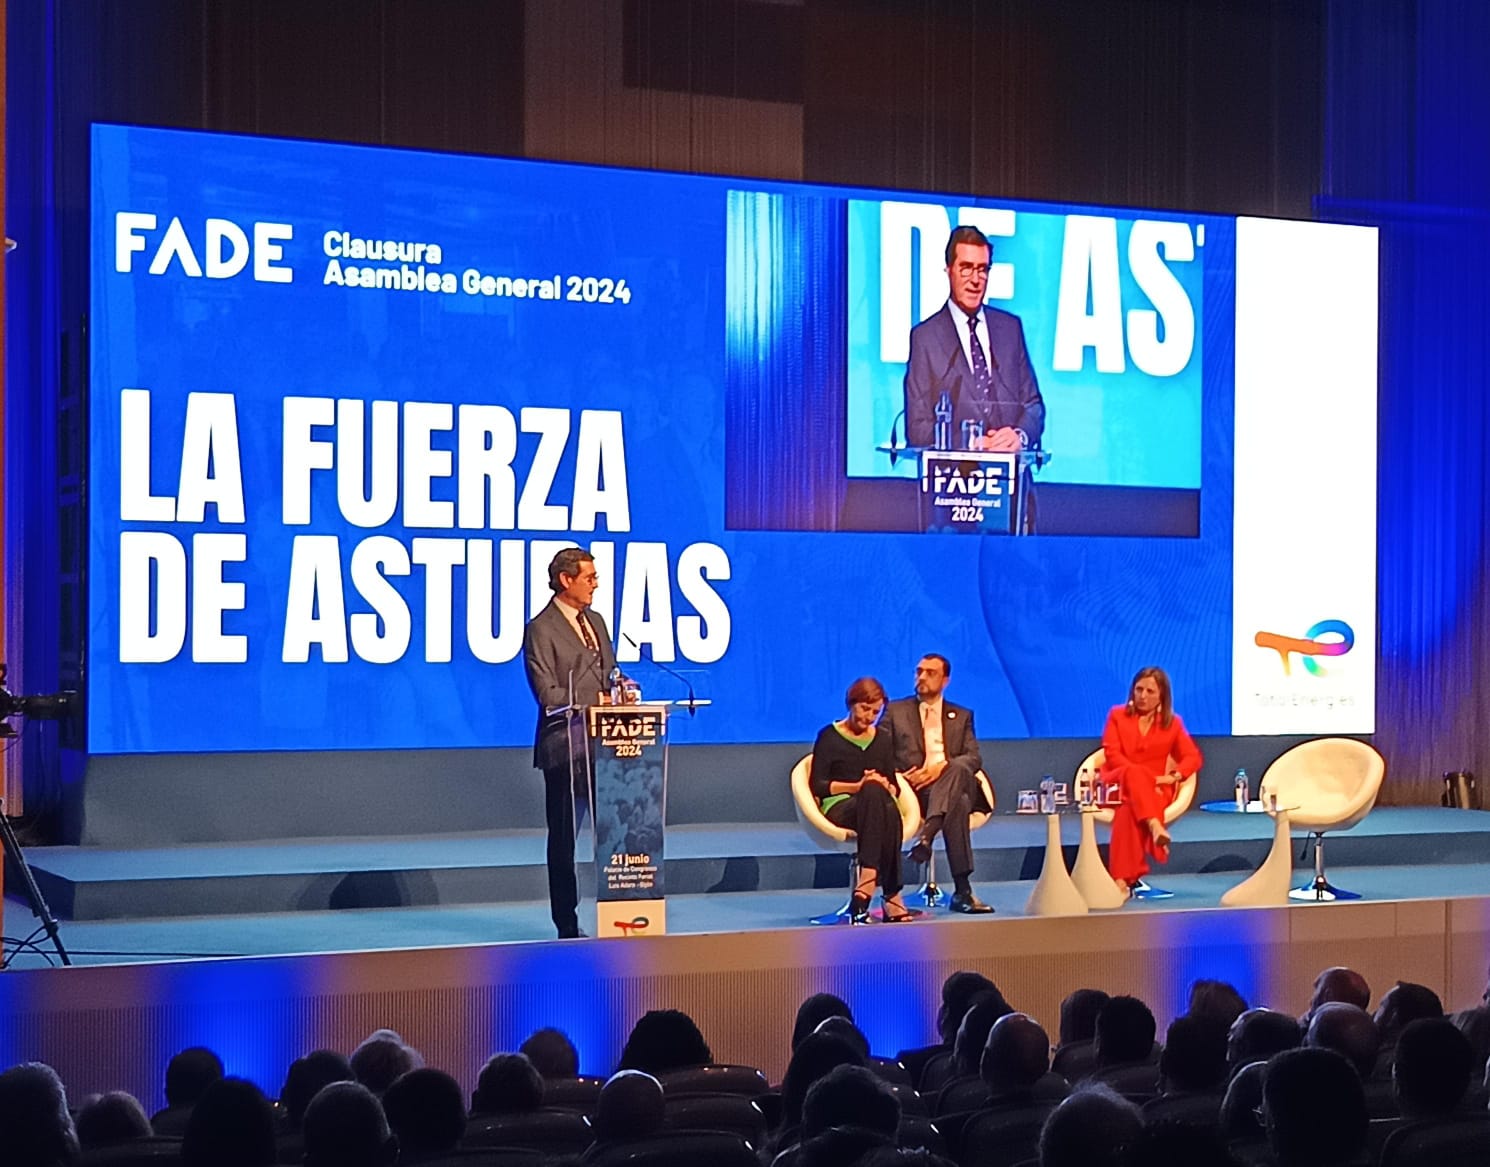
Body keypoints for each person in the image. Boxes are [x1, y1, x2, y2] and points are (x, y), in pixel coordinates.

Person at [523, 545, 617, 939]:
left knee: (618, 835)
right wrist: (595, 699)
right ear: (566, 580)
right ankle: (567, 924)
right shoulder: (541, 629)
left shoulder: (595, 621)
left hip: (607, 747)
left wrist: (622, 689)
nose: (596, 584)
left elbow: (610, 674)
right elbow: (548, 693)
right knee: (563, 843)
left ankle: (623, 916)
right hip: (565, 748)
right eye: (589, 578)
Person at [904, 226, 1045, 457]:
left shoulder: (1010, 329)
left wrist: (1019, 435)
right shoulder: (925, 338)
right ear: (949, 271)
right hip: (954, 485)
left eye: (982, 270)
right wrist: (972, 443)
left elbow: (1033, 407)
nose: (975, 280)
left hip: (1012, 485)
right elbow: (917, 429)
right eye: (966, 268)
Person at [886, 654, 993, 914]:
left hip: (952, 779)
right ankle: (963, 891)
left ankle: (927, 836)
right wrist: (900, 775)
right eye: (919, 671)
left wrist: (940, 769)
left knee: (956, 767)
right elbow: (880, 751)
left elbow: (973, 757)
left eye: (930, 673)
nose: (921, 677)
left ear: (945, 680)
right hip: (916, 791)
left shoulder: (962, 715)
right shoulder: (896, 711)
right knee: (960, 802)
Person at [809, 676, 915, 924]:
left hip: (878, 805)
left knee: (880, 797)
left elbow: (894, 785)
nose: (868, 717)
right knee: (873, 794)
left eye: (875, 712)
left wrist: (883, 784)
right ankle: (891, 894)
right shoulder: (828, 736)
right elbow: (819, 785)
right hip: (842, 807)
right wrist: (858, 786)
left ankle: (867, 881)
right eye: (864, 708)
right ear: (851, 703)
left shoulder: (882, 738)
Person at [1099, 666, 1203, 894]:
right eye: (1138, 689)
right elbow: (1112, 755)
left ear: (1162, 697)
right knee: (1134, 775)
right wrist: (1143, 779)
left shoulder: (1172, 724)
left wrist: (1174, 776)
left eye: (1150, 691)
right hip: (1116, 783)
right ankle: (1155, 826)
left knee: (1128, 809)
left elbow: (1192, 757)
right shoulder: (1117, 715)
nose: (1142, 696)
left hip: (1150, 791)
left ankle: (1121, 880)